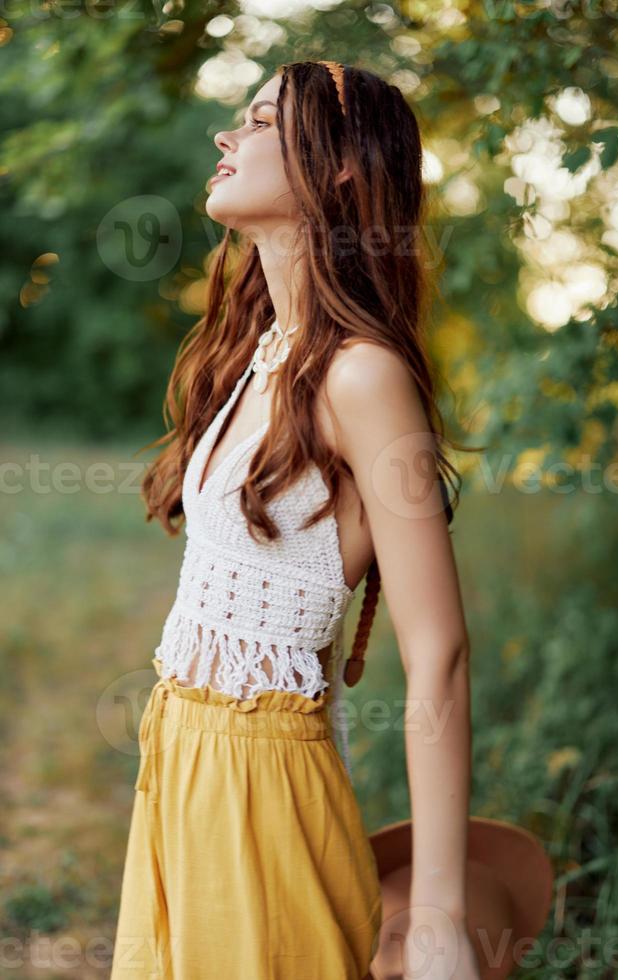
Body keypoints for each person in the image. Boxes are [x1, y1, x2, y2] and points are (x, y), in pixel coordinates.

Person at [110, 59, 480, 980]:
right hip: (181, 761)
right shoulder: (260, 354)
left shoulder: (363, 374)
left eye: (261, 119)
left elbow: (439, 651)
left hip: (260, 785)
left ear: (343, 164)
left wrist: (435, 915)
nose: (225, 138)